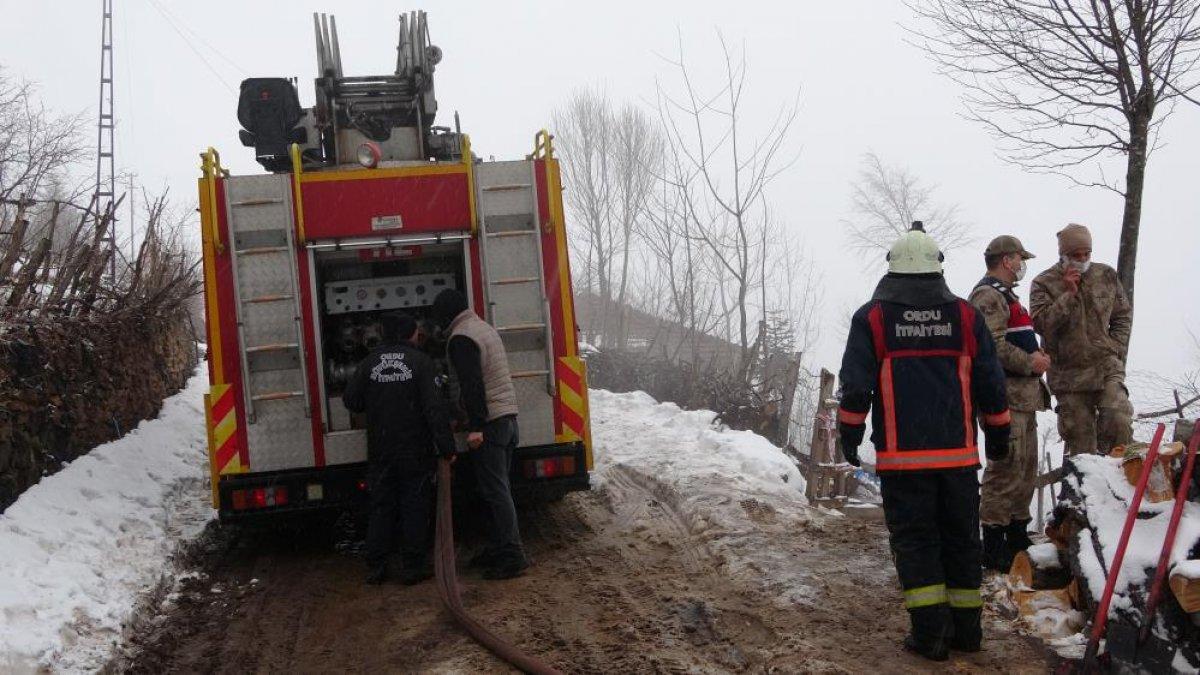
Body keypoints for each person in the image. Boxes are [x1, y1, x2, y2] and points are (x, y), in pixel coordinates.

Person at [838, 222, 1010, 661]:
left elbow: (856, 388)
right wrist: (1000, 434)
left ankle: (930, 635)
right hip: (958, 459)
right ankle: (968, 633)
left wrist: (849, 435)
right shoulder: (966, 317)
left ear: (892, 268)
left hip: (903, 460)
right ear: (938, 268)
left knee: (916, 543)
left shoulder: (872, 318)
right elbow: (991, 383)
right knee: (960, 540)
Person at [344, 312, 454, 585]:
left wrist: (378, 400)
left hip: (381, 449)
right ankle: (413, 566)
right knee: (414, 504)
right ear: (410, 334)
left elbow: (351, 401)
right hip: (414, 450)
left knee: (381, 505)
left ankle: (377, 565)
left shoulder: (369, 363)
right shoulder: (422, 363)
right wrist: (447, 446)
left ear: (383, 334)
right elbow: (434, 409)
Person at [431, 288, 528, 580]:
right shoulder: (483, 328)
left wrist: (475, 425)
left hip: (490, 424)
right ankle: (500, 547)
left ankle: (512, 556)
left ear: (446, 315)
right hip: (507, 418)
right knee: (498, 489)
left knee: (495, 491)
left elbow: (473, 384)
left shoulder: (461, 338)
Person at [969, 236, 1052, 572]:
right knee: (1004, 468)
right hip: (1004, 398)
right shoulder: (987, 296)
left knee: (1024, 467)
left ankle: (1017, 533)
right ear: (1006, 260)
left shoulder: (1007, 296)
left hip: (1024, 398)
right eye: (1019, 258)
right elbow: (991, 347)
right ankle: (993, 544)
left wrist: (1036, 358)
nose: (1021, 264)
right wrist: (1029, 361)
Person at [1030, 224, 1134, 456]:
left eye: (1086, 254)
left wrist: (1116, 347)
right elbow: (1041, 324)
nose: (1082, 259)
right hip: (1068, 376)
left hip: (1106, 366)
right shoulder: (1043, 282)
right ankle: (1082, 490)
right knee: (1081, 444)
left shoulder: (1105, 275)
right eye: (1075, 255)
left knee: (1118, 419)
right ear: (1063, 255)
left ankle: (1121, 485)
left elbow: (1122, 315)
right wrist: (1068, 294)